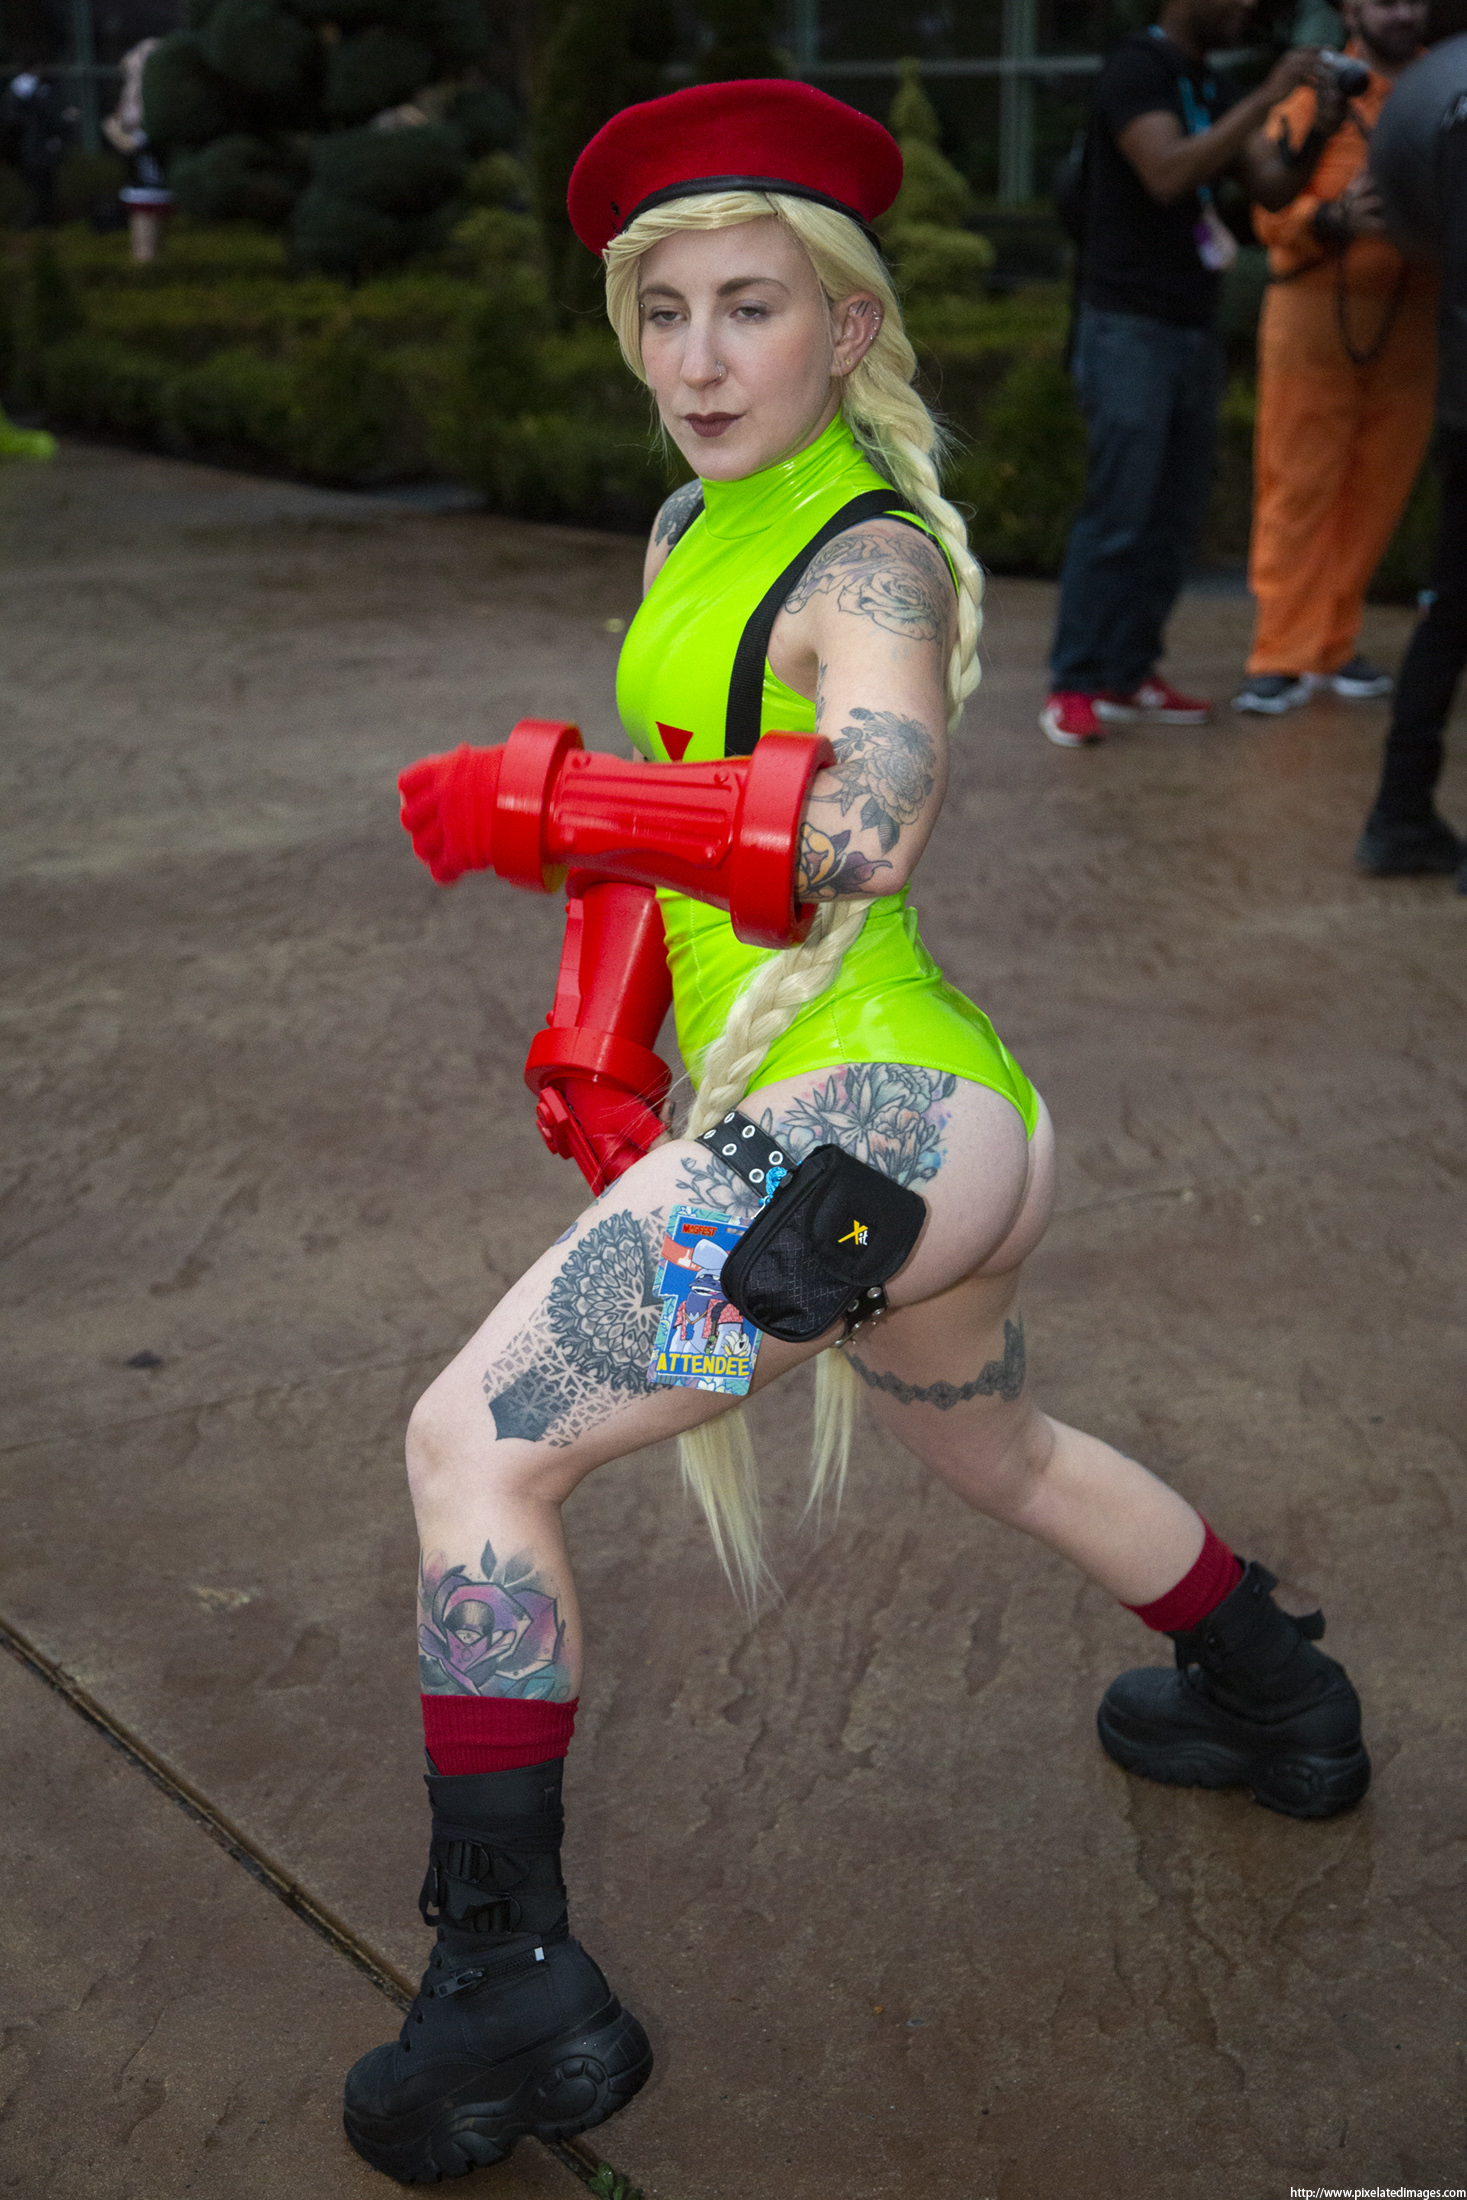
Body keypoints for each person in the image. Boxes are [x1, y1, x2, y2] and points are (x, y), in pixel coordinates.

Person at [342, 79, 1371, 2183]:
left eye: (750, 307)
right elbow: (692, 815)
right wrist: (605, 1037)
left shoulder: (870, 554)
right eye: (663, 312)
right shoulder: (682, 527)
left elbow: (863, 823)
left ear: (846, 328)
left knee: (470, 1449)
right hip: (910, 1132)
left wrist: (541, 800)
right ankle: (1268, 1686)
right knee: (996, 1448)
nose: (699, 357)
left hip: (879, 1118)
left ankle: (510, 1983)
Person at [1043, 0, 1347, 748]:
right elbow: (1169, 174)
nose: (1250, 5)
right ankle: (1074, 683)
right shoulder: (1135, 69)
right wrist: (1268, 95)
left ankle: (1129, 672)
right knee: (1120, 512)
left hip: (1190, 324)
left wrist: (1321, 126)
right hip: (1126, 326)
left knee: (1172, 518)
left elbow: (1272, 188)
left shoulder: (1208, 84)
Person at [1233, 0, 1435, 716]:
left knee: (1378, 488)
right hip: (1313, 317)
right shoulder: (1315, 92)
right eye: (1385, 0)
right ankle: (1279, 653)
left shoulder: (1444, 88)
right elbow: (1267, 211)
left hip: (1414, 322)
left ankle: (1333, 644)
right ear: (1351, 8)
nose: (1402, 13)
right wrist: (1329, 217)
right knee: (1297, 484)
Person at [1355, 31, 1467, 881]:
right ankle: (1397, 816)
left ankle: (1398, 813)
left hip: (1460, 394)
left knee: (1449, 607)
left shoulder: (1442, 94)